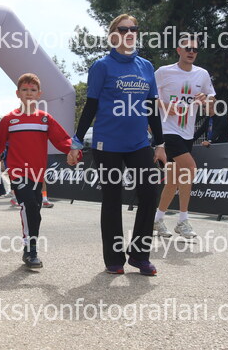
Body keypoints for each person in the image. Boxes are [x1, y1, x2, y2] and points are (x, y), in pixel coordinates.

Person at [72, 14, 166, 275]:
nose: (130, 33)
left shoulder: (146, 66)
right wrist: (76, 140)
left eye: (134, 29)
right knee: (112, 198)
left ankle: (139, 255)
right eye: (123, 29)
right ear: (113, 35)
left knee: (149, 193)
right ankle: (114, 259)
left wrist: (160, 143)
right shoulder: (101, 66)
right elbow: (91, 105)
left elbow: (152, 108)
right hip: (108, 143)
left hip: (138, 143)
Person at [0, 73, 78, 269]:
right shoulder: (9, 119)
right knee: (28, 204)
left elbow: (61, 139)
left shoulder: (45, 119)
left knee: (35, 210)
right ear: (17, 93)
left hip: (37, 173)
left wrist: (73, 152)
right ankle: (31, 251)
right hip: (17, 171)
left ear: (39, 94)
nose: (28, 93)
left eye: (33, 90)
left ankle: (30, 246)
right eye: (24, 90)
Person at [153, 35, 215, 239]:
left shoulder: (202, 74)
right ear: (178, 50)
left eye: (195, 49)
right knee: (190, 168)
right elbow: (147, 97)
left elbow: (212, 109)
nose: (191, 52)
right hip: (168, 131)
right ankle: (182, 220)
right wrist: (164, 105)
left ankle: (157, 219)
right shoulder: (164, 72)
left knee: (172, 182)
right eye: (187, 48)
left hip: (187, 133)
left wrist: (206, 100)